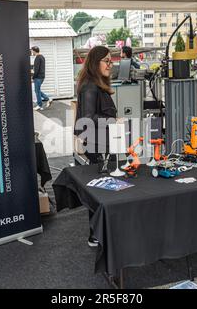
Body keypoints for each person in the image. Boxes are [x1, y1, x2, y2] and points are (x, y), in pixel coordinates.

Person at [74, 46, 117, 247]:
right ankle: (97, 235)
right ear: (95, 62)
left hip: (100, 143)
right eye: (106, 61)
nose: (111, 64)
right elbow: (88, 119)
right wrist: (114, 121)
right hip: (96, 146)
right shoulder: (90, 86)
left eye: (111, 60)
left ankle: (99, 233)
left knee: (102, 190)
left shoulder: (93, 84)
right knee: (101, 191)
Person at [31, 46, 53, 111]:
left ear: (34, 51)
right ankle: (48, 99)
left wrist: (33, 77)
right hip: (42, 76)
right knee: (37, 90)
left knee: (37, 91)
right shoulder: (42, 57)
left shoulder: (37, 58)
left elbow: (36, 69)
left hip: (38, 77)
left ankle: (39, 105)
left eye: (32, 50)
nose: (31, 52)